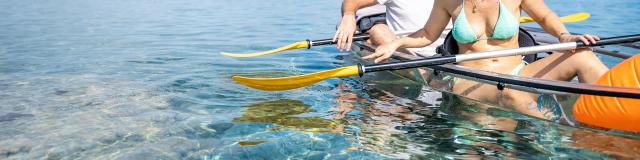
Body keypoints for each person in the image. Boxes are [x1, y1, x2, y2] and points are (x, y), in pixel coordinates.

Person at [365, 0, 609, 119]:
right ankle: (565, 136)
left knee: (583, 56)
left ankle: (619, 117)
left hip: (518, 72)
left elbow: (545, 17)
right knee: (513, 95)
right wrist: (396, 42)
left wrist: (566, 36)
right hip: (471, 81)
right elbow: (427, 35)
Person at [333, 0, 449, 57]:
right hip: (409, 52)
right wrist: (348, 14)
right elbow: (352, 2)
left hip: (450, 52)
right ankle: (421, 73)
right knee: (378, 31)